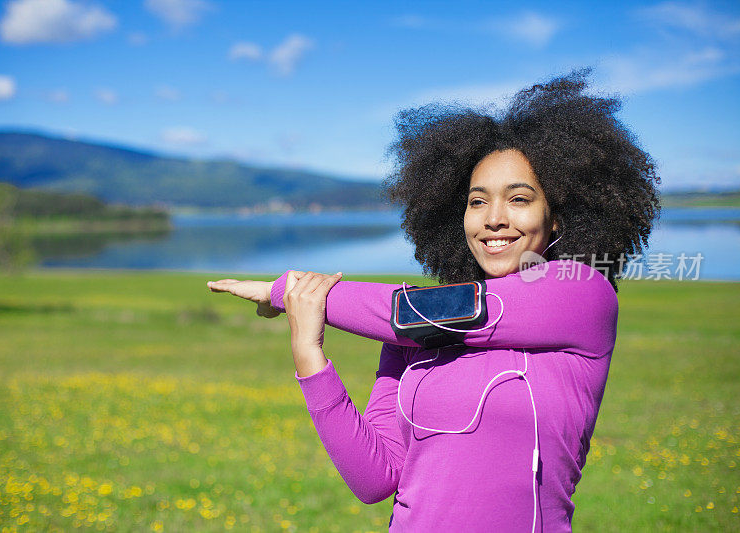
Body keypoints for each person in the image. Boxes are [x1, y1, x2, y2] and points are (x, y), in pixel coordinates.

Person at [207, 68, 660, 532]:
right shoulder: (416, 335)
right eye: (477, 202)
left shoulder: (581, 291)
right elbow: (375, 479)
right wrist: (309, 353)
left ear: (558, 216)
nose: (495, 219)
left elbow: (421, 311)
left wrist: (285, 290)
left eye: (519, 199)